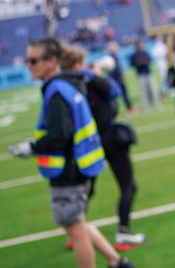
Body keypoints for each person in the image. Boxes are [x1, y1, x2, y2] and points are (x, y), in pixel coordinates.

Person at [7, 38, 133, 268]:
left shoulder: (57, 90)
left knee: (75, 229)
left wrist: (32, 148)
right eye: (27, 60)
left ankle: (115, 261)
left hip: (68, 169)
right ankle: (116, 261)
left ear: (52, 61)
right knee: (76, 223)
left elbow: (60, 134)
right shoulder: (66, 85)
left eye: (33, 60)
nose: (29, 65)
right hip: (78, 166)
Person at [60, 45, 146, 251]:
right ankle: (124, 232)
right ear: (78, 64)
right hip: (108, 140)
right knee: (128, 186)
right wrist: (94, 73)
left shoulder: (62, 85)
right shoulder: (89, 79)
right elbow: (114, 91)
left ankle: (76, 233)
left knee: (87, 190)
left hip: (86, 145)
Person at [129, 39, 162, 112]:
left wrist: (142, 62)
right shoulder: (134, 55)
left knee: (153, 90)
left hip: (148, 73)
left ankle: (158, 104)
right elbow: (133, 64)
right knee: (144, 92)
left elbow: (148, 60)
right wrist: (140, 62)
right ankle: (146, 107)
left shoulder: (145, 52)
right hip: (140, 75)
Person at [106, 41, 135, 115]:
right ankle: (127, 109)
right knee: (121, 95)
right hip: (116, 79)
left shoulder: (112, 56)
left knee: (120, 95)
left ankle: (125, 109)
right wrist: (119, 78)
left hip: (115, 79)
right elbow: (114, 70)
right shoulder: (112, 57)